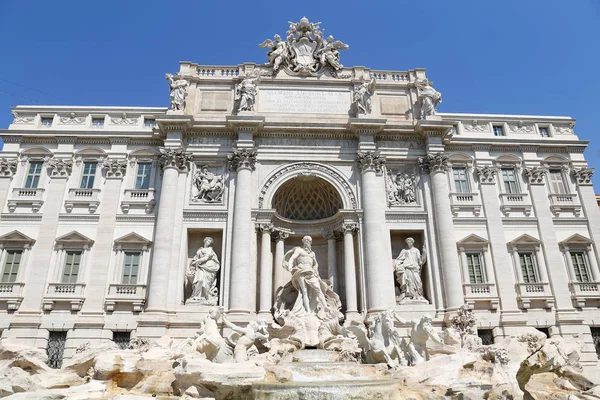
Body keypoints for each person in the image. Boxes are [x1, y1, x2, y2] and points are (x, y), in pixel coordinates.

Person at [285, 236, 329, 316]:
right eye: (306, 240)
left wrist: (317, 272)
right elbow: (292, 258)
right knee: (304, 292)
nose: (307, 242)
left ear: (311, 243)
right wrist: (290, 265)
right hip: (301, 271)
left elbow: (315, 264)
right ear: (303, 241)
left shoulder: (312, 253)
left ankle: (325, 306)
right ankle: (308, 311)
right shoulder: (299, 250)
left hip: (311, 272)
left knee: (318, 288)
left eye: (309, 241)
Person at [188, 237, 220, 303]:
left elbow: (206, 258)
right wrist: (193, 265)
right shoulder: (200, 250)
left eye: (210, 242)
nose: (209, 243)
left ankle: (205, 297)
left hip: (208, 268)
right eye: (208, 241)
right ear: (205, 241)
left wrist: (197, 261)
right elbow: (195, 258)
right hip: (200, 267)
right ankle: (196, 296)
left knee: (206, 283)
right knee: (199, 280)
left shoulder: (210, 250)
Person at [394, 238, 426, 302]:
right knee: (409, 282)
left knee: (418, 281)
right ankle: (410, 295)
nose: (409, 243)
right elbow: (399, 259)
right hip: (407, 268)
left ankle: (418, 295)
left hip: (415, 268)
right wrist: (398, 265)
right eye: (408, 242)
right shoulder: (404, 251)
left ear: (412, 242)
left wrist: (424, 253)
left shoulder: (416, 250)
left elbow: (420, 260)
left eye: (410, 242)